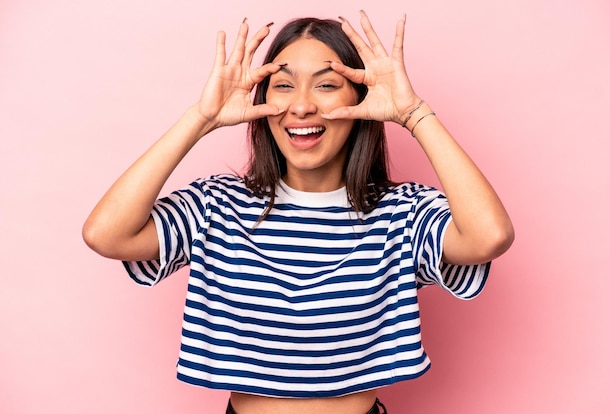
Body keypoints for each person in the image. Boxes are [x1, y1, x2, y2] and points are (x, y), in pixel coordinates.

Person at [83, 10, 514, 414]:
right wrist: (201, 118)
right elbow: (107, 234)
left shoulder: (402, 214)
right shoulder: (216, 206)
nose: (302, 105)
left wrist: (412, 112)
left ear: (363, 100)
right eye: (284, 85)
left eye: (326, 84)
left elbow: (488, 236)